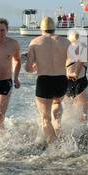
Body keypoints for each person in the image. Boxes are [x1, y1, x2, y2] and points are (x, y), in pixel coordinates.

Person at [24, 15, 71, 143]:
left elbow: (28, 68)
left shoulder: (35, 42)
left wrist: (34, 68)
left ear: (41, 28)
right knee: (57, 102)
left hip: (44, 81)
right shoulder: (66, 42)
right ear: (54, 28)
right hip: (62, 80)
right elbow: (74, 61)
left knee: (45, 118)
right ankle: (58, 127)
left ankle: (54, 147)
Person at [64, 30, 88, 115]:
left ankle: (63, 127)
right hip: (81, 82)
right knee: (85, 115)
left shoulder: (65, 50)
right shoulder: (85, 50)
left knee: (67, 112)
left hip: (66, 82)